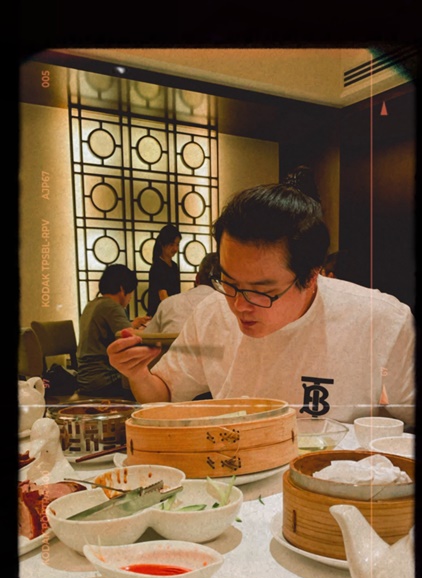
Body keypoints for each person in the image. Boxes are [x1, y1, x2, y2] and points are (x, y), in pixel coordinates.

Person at [107, 166, 415, 426]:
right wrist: (138, 373)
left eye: (262, 292)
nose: (239, 305)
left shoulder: (382, 321)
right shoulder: (213, 312)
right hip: (236, 473)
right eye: (229, 282)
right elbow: (164, 395)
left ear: (311, 276)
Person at [76, 264, 149, 400]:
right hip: (104, 380)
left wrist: (133, 324)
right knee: (148, 383)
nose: (130, 297)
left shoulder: (92, 304)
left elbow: (113, 333)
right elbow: (131, 339)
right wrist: (148, 329)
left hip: (85, 379)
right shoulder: (112, 306)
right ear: (122, 289)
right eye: (131, 292)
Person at [143, 252, 218, 334]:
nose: (175, 249)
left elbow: (149, 337)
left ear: (197, 278)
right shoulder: (226, 307)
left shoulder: (167, 304)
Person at [147, 224, 181, 317]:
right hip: (159, 315)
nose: (175, 249)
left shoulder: (174, 266)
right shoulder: (157, 267)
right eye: (171, 244)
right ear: (162, 244)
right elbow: (163, 296)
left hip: (171, 312)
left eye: (177, 244)